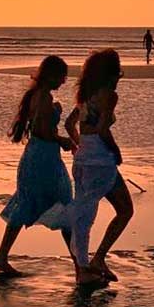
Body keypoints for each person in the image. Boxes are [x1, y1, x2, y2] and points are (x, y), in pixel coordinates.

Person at [42, 50, 133, 286]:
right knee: (124, 210)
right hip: (100, 160)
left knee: (85, 213)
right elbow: (103, 130)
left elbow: (70, 123)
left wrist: (77, 143)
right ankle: (97, 259)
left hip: (82, 159)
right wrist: (116, 151)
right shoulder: (109, 95)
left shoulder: (85, 95)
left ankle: (84, 266)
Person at [0, 56, 76, 277]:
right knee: (64, 203)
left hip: (36, 155)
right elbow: (41, 130)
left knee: (27, 202)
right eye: (61, 76)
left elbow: (40, 128)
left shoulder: (37, 96)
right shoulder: (44, 98)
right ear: (51, 76)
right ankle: (80, 264)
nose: (64, 81)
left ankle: (1, 256)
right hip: (43, 158)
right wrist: (62, 140)